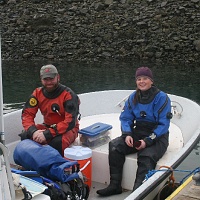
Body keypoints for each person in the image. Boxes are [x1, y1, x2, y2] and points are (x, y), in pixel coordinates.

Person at [96, 67, 172, 196]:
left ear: (151, 81)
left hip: (158, 137)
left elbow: (163, 125)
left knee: (146, 155)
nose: (142, 81)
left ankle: (137, 193)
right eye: (139, 79)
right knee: (115, 146)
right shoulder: (133, 97)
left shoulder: (162, 98)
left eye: (145, 79)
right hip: (139, 131)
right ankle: (115, 185)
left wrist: (147, 141)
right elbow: (126, 118)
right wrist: (127, 134)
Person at [19, 64, 80, 156]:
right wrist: (33, 131)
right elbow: (27, 115)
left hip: (68, 129)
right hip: (47, 126)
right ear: (41, 79)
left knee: (57, 142)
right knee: (25, 135)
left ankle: (58, 166)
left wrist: (48, 134)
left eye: (51, 79)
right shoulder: (37, 94)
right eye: (45, 79)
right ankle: (30, 164)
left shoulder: (68, 95)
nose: (49, 82)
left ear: (58, 77)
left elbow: (70, 122)